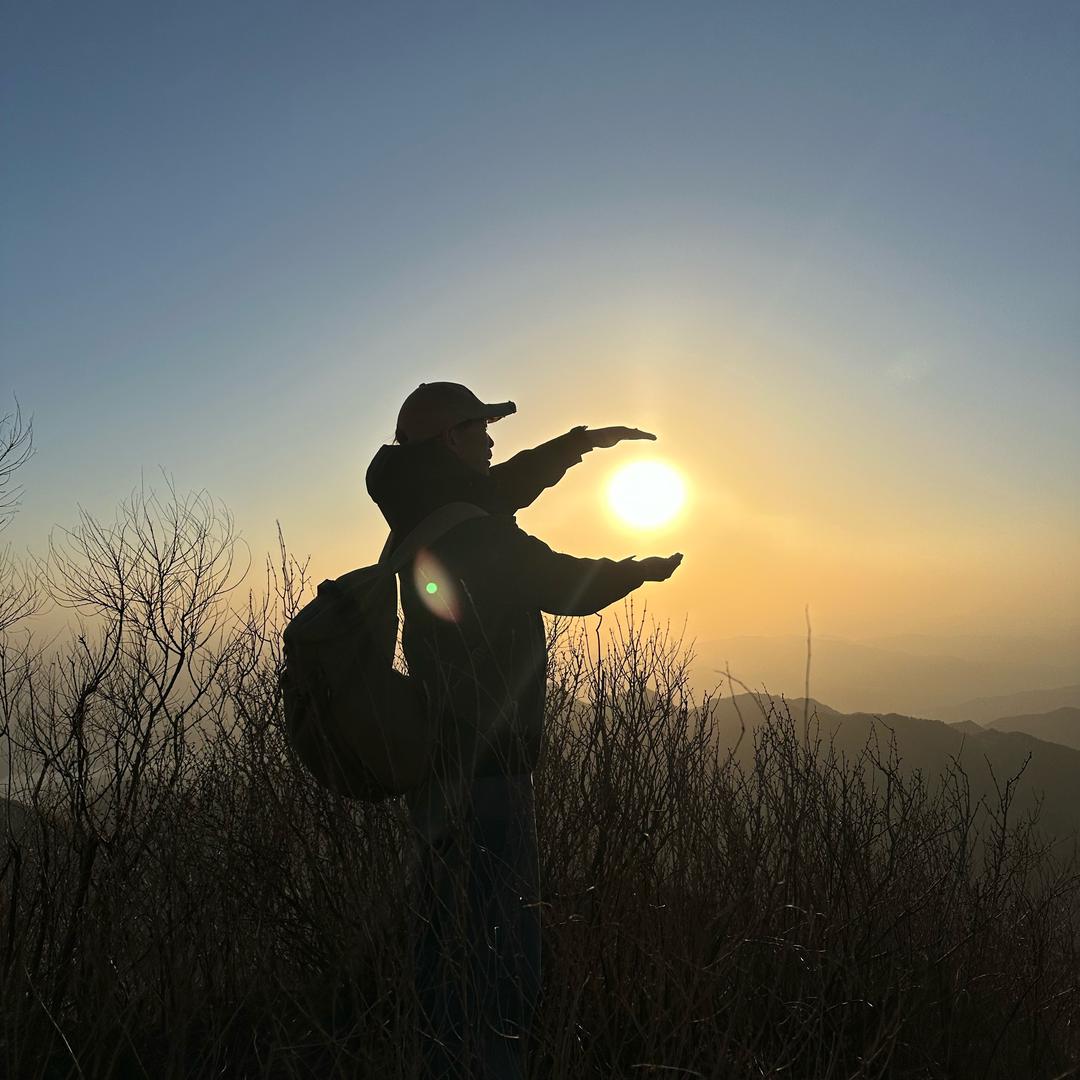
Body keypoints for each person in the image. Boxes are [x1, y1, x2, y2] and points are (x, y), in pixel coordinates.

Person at [365, 381, 683, 1080]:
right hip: (490, 763)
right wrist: (640, 571)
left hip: (439, 755)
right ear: (449, 438)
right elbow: (560, 581)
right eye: (479, 429)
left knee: (440, 929)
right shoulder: (472, 532)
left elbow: (501, 486)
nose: (490, 441)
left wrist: (574, 447)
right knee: (505, 942)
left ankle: (438, 1056)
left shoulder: (423, 506)